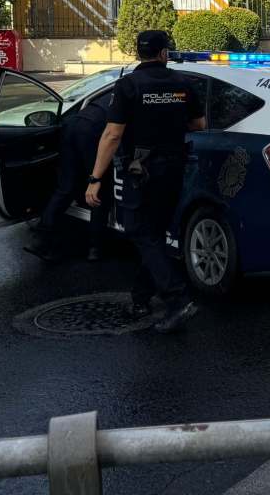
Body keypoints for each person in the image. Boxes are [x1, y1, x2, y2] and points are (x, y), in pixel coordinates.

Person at [86, 31, 206, 333]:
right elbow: (198, 124)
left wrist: (94, 178)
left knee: (139, 231)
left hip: (141, 171)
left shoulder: (127, 86)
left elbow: (112, 134)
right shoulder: (183, 83)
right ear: (164, 53)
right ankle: (141, 297)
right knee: (154, 233)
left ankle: (178, 298)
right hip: (175, 169)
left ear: (139, 53)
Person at [25, 94, 113, 263]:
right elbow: (115, 134)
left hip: (72, 125)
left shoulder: (119, 86)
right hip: (95, 132)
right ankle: (95, 249)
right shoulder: (138, 89)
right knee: (99, 191)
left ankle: (40, 239)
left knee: (66, 187)